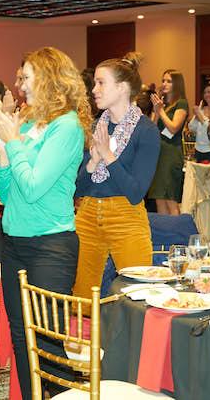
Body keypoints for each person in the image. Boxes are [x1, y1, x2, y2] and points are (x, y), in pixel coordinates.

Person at [0, 47, 91, 399]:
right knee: (22, 337)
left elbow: (33, 187)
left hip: (51, 245)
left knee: (48, 338)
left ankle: (69, 395)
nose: (21, 85)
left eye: (27, 77)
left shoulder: (67, 127)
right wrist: (4, 146)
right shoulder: (30, 124)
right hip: (15, 242)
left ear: (48, 79)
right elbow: (8, 189)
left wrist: (13, 141)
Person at [72, 53, 160, 299]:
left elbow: (135, 193)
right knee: (81, 293)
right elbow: (77, 189)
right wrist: (93, 163)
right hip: (88, 214)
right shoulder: (94, 128)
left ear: (122, 88)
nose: (94, 90)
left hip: (127, 216)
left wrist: (108, 157)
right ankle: (81, 340)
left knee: (138, 292)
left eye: (101, 83)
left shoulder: (146, 131)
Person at [148, 69, 189, 214]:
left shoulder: (181, 103)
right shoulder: (162, 104)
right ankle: (164, 235)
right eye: (163, 80)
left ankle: (177, 235)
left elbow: (173, 128)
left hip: (171, 154)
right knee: (159, 198)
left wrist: (161, 111)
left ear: (176, 84)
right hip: (158, 153)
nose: (164, 84)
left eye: (169, 81)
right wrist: (157, 110)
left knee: (170, 199)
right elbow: (152, 128)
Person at [188, 81, 210, 162]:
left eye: (209, 92)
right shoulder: (202, 109)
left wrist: (201, 118)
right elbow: (191, 128)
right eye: (205, 92)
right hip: (198, 150)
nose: (206, 95)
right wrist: (196, 116)